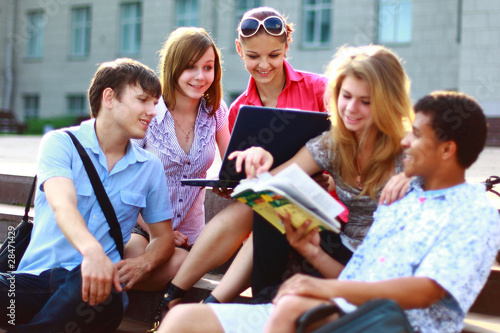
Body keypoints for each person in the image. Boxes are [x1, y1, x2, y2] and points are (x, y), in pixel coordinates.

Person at [159, 90, 500, 333]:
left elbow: (425, 291)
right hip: (334, 312)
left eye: (416, 134)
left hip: (386, 324)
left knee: (291, 307)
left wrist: (325, 290)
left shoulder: (474, 213)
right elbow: (355, 280)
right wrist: (313, 253)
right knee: (182, 322)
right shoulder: (401, 199)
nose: (405, 142)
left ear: (447, 149)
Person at [158, 43, 416, 332]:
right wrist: (261, 164)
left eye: (365, 101)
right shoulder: (334, 142)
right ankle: (263, 301)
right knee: (273, 202)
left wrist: (413, 174)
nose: (351, 109)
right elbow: (281, 177)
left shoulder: (408, 151)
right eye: (346, 97)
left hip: (380, 263)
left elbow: (440, 186)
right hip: (342, 246)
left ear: (387, 102)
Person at [153, 6, 342, 316]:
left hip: (324, 210)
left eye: (274, 55)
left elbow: (346, 148)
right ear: (239, 50)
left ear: (286, 48)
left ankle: (185, 301)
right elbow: (239, 174)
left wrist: (332, 177)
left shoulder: (320, 89)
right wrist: (232, 184)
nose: (264, 65)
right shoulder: (240, 109)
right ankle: (185, 300)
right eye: (253, 56)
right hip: (275, 210)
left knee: (265, 202)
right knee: (263, 201)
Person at [0, 58, 177, 332]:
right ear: (109, 97)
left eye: (155, 102)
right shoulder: (60, 144)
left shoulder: (149, 167)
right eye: (143, 100)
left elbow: (164, 237)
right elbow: (63, 205)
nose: (153, 110)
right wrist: (92, 251)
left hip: (95, 291)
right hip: (33, 281)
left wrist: (143, 263)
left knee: (99, 286)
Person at [125, 27, 229, 290]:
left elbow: (231, 165)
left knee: (181, 261)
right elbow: (121, 181)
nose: (200, 76)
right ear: (173, 68)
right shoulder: (148, 111)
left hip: (190, 235)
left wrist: (229, 180)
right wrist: (159, 232)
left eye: (208, 67)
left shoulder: (215, 112)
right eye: (190, 67)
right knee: (131, 260)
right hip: (142, 225)